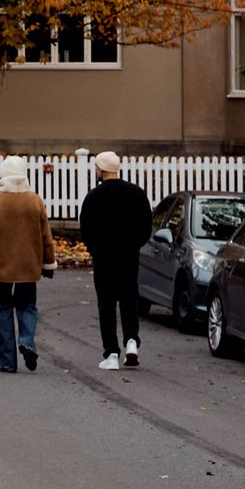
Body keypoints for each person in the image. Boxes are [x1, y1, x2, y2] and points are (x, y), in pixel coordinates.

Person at [0, 161, 56, 373]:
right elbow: (46, 235)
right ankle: (27, 339)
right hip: (29, 266)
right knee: (27, 306)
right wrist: (48, 262)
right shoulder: (35, 200)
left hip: (1, 268)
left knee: (1, 310)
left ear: (3, 174)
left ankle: (8, 360)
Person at [77, 149, 154, 370]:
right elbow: (145, 227)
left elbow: (86, 229)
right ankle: (131, 341)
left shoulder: (94, 197)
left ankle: (111, 353)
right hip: (129, 257)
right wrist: (134, 245)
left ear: (101, 169)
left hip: (104, 259)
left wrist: (95, 248)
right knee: (129, 300)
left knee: (107, 304)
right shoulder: (137, 194)